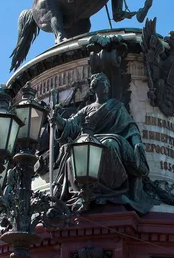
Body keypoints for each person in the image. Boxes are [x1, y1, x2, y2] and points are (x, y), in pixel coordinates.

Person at [50, 72, 153, 213]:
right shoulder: (87, 109)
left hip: (112, 138)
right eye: (102, 85)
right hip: (90, 140)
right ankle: (82, 192)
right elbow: (72, 125)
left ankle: (114, 188)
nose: (105, 88)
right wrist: (58, 121)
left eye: (107, 85)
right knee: (73, 157)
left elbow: (131, 127)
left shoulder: (117, 106)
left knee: (110, 144)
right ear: (95, 88)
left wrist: (137, 143)